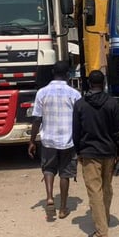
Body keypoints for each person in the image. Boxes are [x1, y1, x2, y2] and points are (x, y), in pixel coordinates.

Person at [72, 70, 119, 237]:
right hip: (109, 152)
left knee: (94, 191)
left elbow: (76, 131)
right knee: (106, 187)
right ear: (104, 83)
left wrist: (78, 151)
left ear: (88, 83)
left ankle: (101, 233)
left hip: (89, 153)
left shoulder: (80, 105)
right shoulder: (112, 104)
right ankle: (105, 219)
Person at [28, 60, 81, 221]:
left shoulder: (42, 93)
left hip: (48, 139)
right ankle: (63, 208)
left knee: (49, 168)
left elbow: (37, 119)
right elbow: (79, 119)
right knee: (65, 173)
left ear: (53, 73)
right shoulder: (74, 94)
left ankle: (50, 197)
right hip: (68, 139)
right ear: (67, 74)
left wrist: (32, 140)